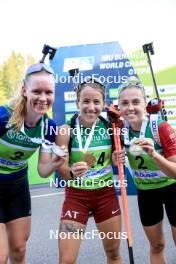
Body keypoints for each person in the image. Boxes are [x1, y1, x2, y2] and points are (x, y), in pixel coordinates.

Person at [0, 63, 65, 264]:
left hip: (17, 185)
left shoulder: (49, 128)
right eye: (37, 91)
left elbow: (43, 170)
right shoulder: (4, 117)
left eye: (49, 92)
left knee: (19, 249)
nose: (43, 98)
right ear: (24, 90)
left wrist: (56, 162)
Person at [56, 79, 122, 264]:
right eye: (85, 101)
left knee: (114, 255)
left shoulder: (111, 128)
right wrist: (71, 172)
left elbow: (118, 159)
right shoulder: (65, 131)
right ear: (77, 103)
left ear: (103, 104)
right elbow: (61, 170)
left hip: (105, 196)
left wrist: (118, 159)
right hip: (76, 198)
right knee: (66, 260)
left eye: (96, 102)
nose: (91, 107)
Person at [113, 76, 176, 264]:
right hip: (147, 193)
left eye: (135, 102)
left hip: (172, 190)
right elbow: (107, 157)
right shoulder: (119, 131)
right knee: (156, 246)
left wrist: (155, 155)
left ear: (144, 103)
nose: (130, 107)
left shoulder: (160, 128)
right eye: (124, 103)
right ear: (119, 107)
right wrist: (115, 158)